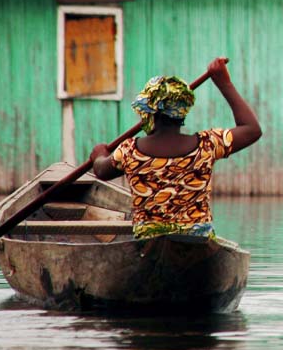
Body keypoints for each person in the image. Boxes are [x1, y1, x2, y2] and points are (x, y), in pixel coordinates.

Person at [90, 57, 262, 239]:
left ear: (150, 113)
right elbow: (252, 129)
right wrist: (224, 83)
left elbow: (101, 170)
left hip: (149, 239)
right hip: (198, 239)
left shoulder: (129, 151)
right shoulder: (207, 145)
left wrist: (99, 154)